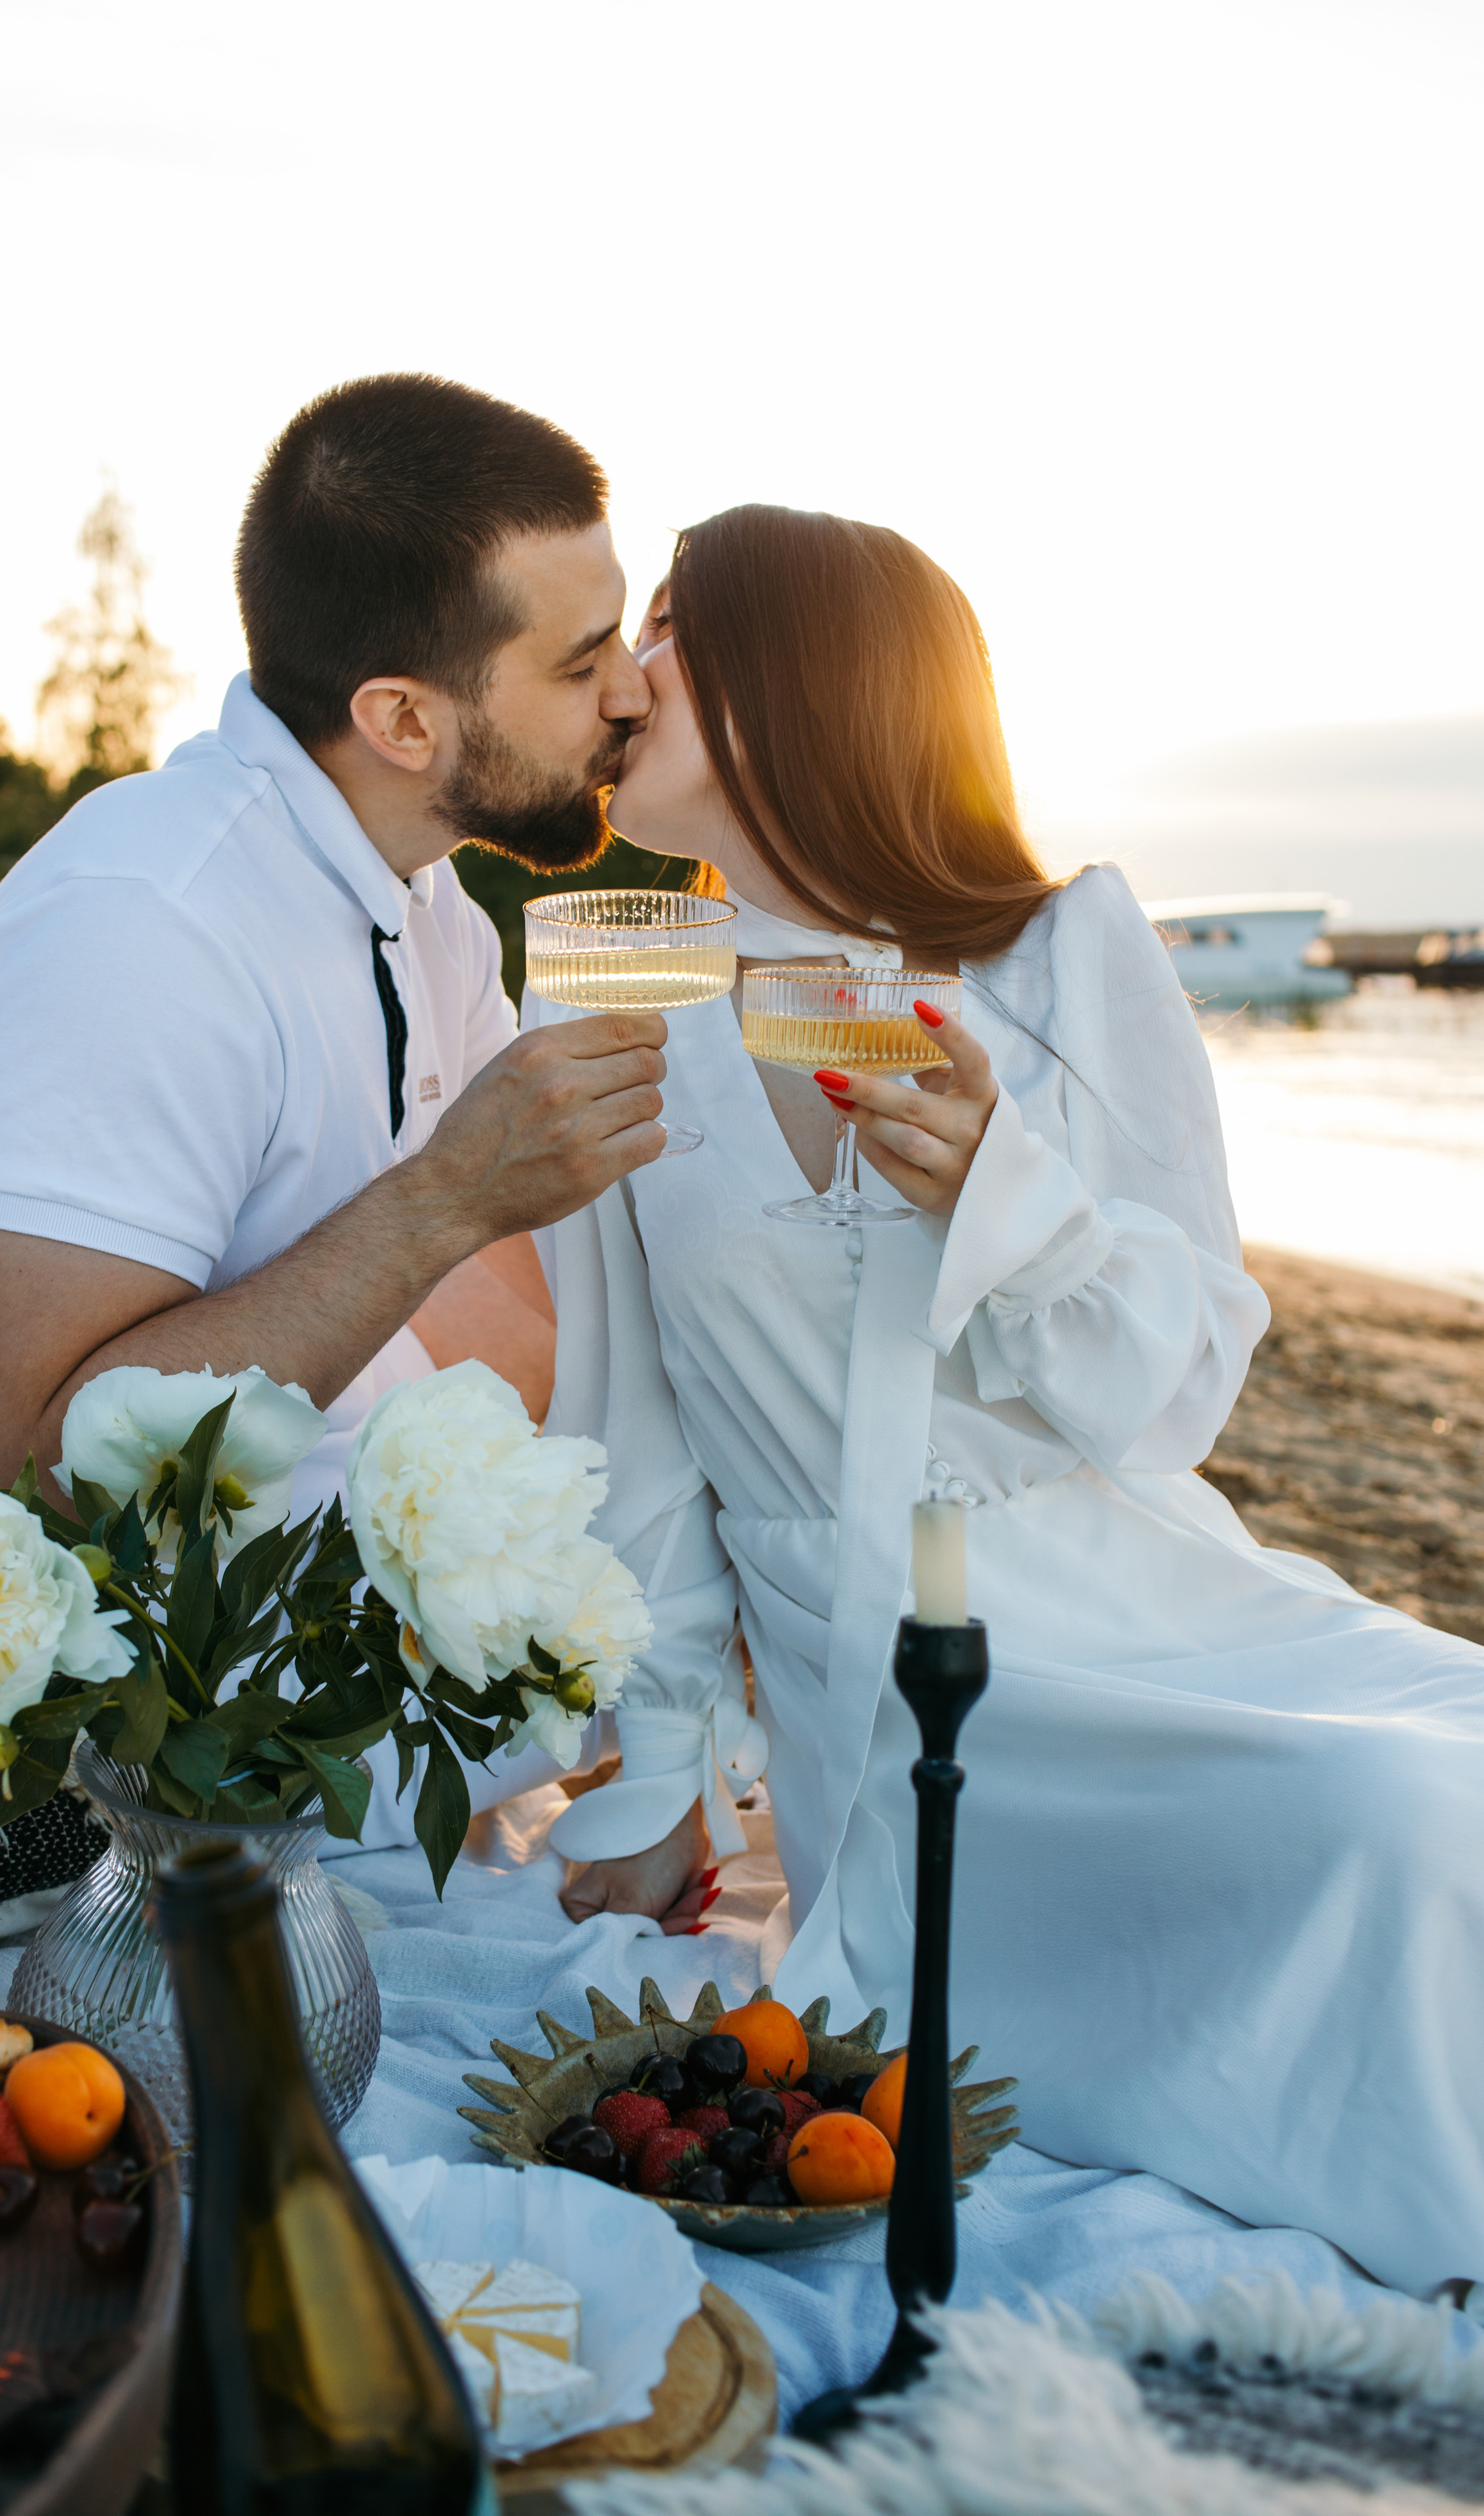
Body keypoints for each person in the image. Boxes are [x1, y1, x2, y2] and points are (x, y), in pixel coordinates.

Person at [536, 501, 1484, 2297]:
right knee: (1394, 1827)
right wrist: (663, 1775)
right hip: (887, 1697)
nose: (626, 674)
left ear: (806, 679)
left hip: (1138, 1605)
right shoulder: (614, 980)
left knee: (1453, 1783)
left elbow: (1176, 1392)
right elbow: (635, 1438)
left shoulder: (1058, 952)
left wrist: (1008, 1198)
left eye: (672, 624)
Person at [0, 373, 668, 1818]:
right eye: (583, 663)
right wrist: (442, 1198)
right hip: (168, 1767)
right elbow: (30, 1476)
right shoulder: (143, 927)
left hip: (384, 1680)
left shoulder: (433, 906)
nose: (632, 690)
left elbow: (509, 1327)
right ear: (402, 719)